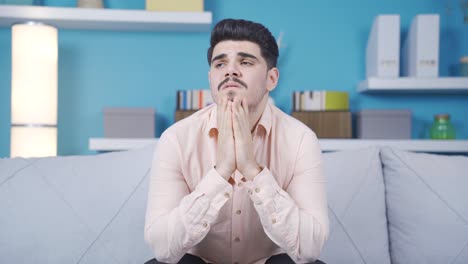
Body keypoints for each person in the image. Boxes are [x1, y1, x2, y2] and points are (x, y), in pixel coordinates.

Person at [144, 18, 329, 264]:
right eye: (220, 63)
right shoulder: (176, 139)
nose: (230, 70)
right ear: (211, 78)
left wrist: (253, 171)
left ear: (271, 79)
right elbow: (162, 247)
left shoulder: (301, 140)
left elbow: (310, 248)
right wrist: (220, 173)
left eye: (245, 62)